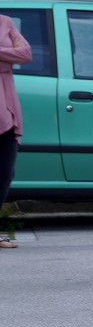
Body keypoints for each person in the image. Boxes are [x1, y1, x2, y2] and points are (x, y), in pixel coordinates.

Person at [0, 14, 32, 249]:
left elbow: (25, 54)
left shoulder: (5, 22)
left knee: (4, 173)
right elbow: (15, 54)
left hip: (6, 110)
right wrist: (6, 53)